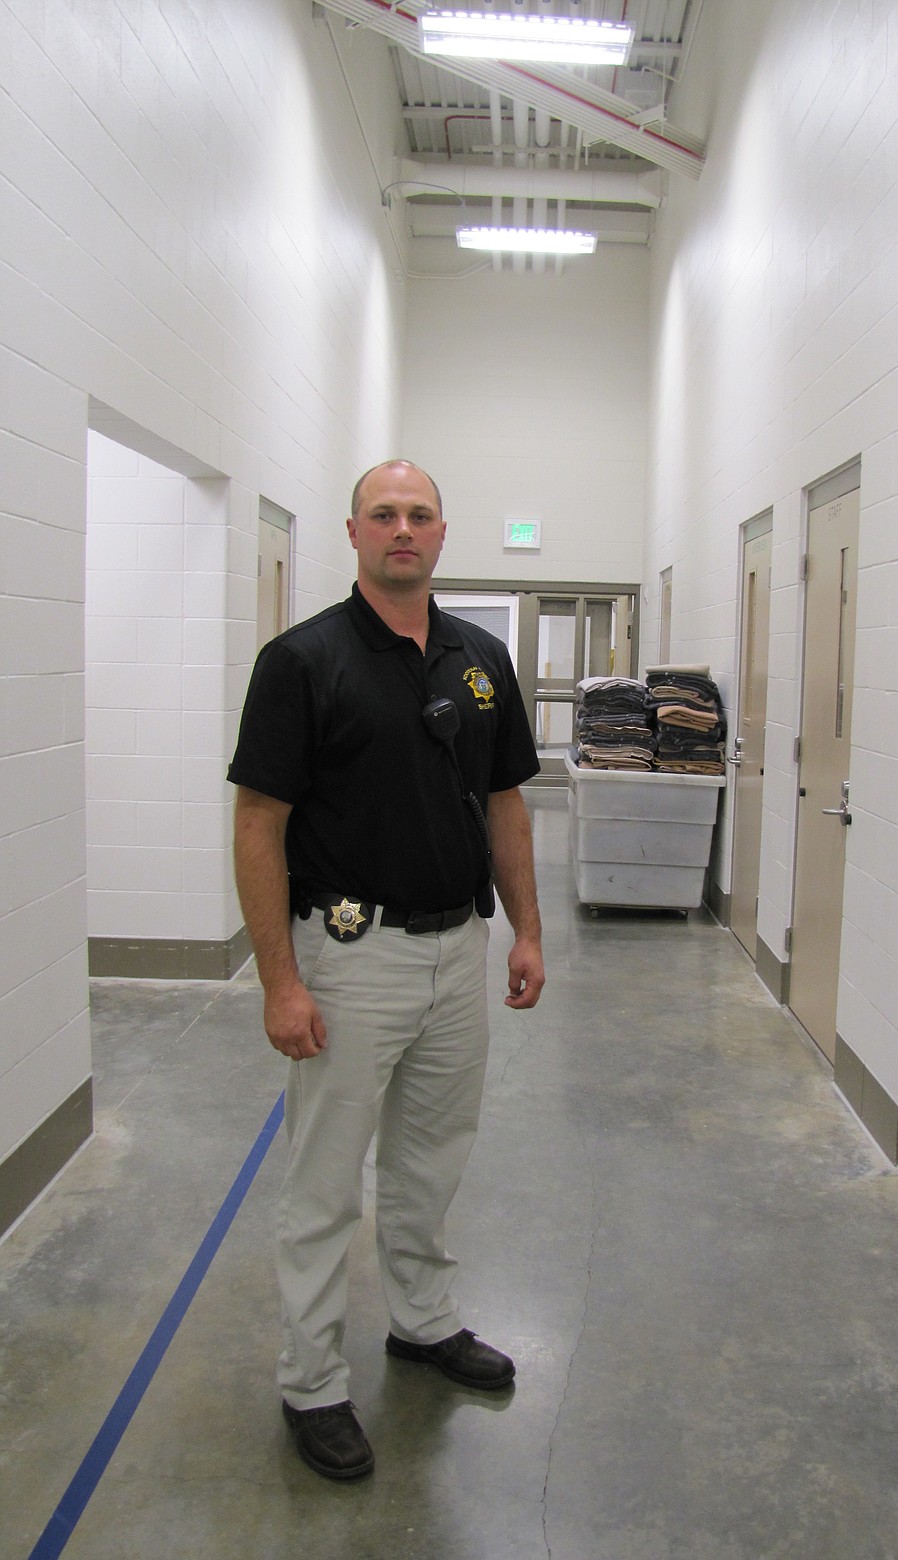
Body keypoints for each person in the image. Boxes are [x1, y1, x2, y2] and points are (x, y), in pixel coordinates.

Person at [228, 459, 544, 1481]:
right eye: (384, 515)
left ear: (442, 534)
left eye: (419, 515)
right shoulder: (301, 661)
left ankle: (422, 1322)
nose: (402, 529)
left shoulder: (480, 657)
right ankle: (311, 1381)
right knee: (324, 1184)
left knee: (430, 1161)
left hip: (460, 952)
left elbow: (505, 804)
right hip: (350, 958)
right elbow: (258, 824)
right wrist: (282, 981)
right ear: (354, 533)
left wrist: (527, 931)